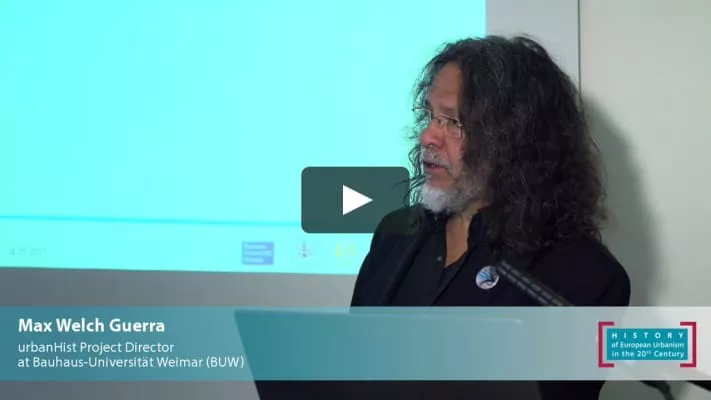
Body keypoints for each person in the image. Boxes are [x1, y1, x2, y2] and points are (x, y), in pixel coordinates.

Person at [350, 35, 631, 399]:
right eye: (430, 116)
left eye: (453, 122)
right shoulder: (395, 233)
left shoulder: (584, 275)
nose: (428, 136)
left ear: (514, 140)